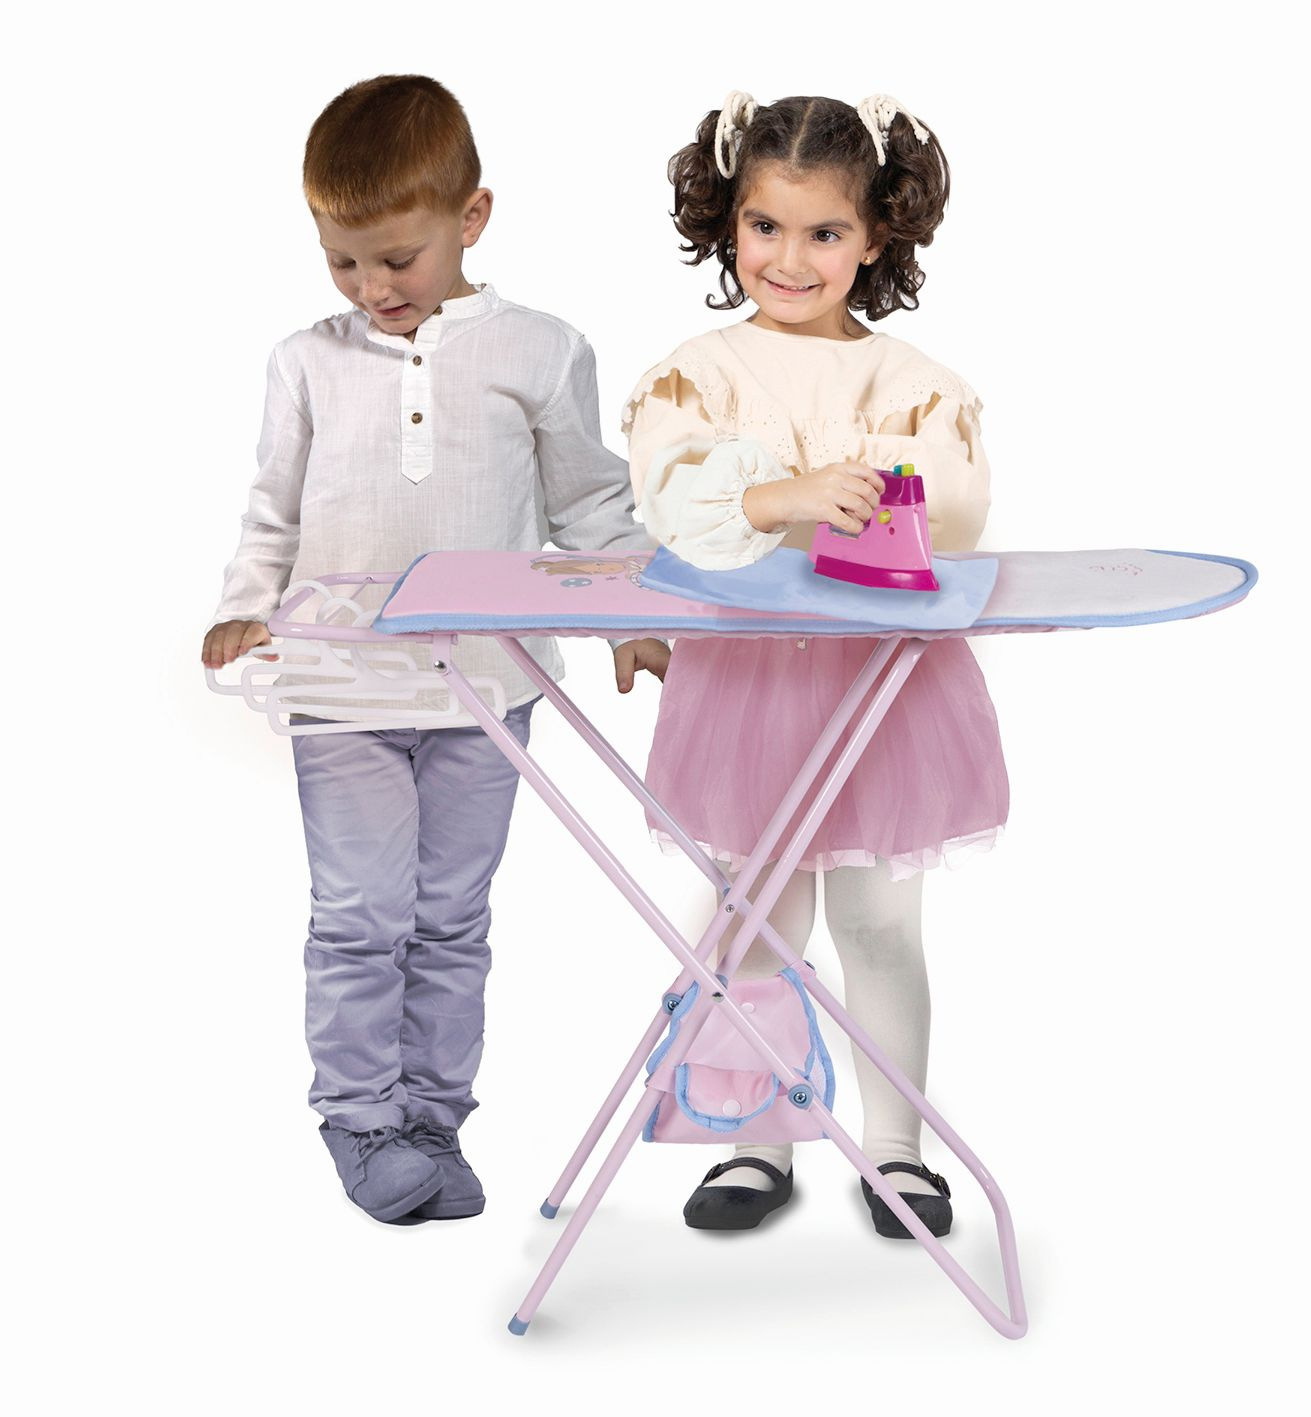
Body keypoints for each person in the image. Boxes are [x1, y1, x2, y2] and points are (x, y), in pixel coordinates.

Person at [203, 75, 668, 1224]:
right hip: (340, 686)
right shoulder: (305, 362)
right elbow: (272, 509)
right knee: (362, 915)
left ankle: (433, 1117)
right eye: (342, 262)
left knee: (454, 916)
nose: (372, 288)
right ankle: (361, 1119)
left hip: (488, 688)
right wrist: (244, 605)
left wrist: (633, 613)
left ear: (472, 217)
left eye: (397, 259)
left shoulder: (542, 351)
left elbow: (589, 501)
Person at [623, 92, 1008, 1235]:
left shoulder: (917, 383)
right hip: (749, 689)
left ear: (875, 235)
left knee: (880, 925)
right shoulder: (695, 374)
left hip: (882, 688)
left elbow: (955, 511)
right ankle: (758, 1138)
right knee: (751, 922)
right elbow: (671, 501)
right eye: (765, 226)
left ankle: (896, 1149)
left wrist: (811, 499)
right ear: (729, 221)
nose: (788, 260)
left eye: (824, 232)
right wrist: (789, 494)